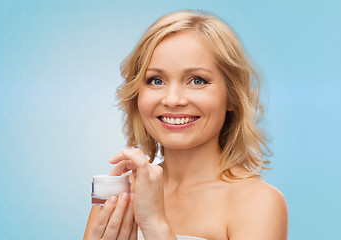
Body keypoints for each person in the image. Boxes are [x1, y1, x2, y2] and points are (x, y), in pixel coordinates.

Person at [83, 9, 288, 240]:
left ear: (232, 96)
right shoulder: (119, 194)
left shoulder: (258, 202)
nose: (172, 100)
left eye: (197, 80)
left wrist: (155, 224)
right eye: (156, 80)